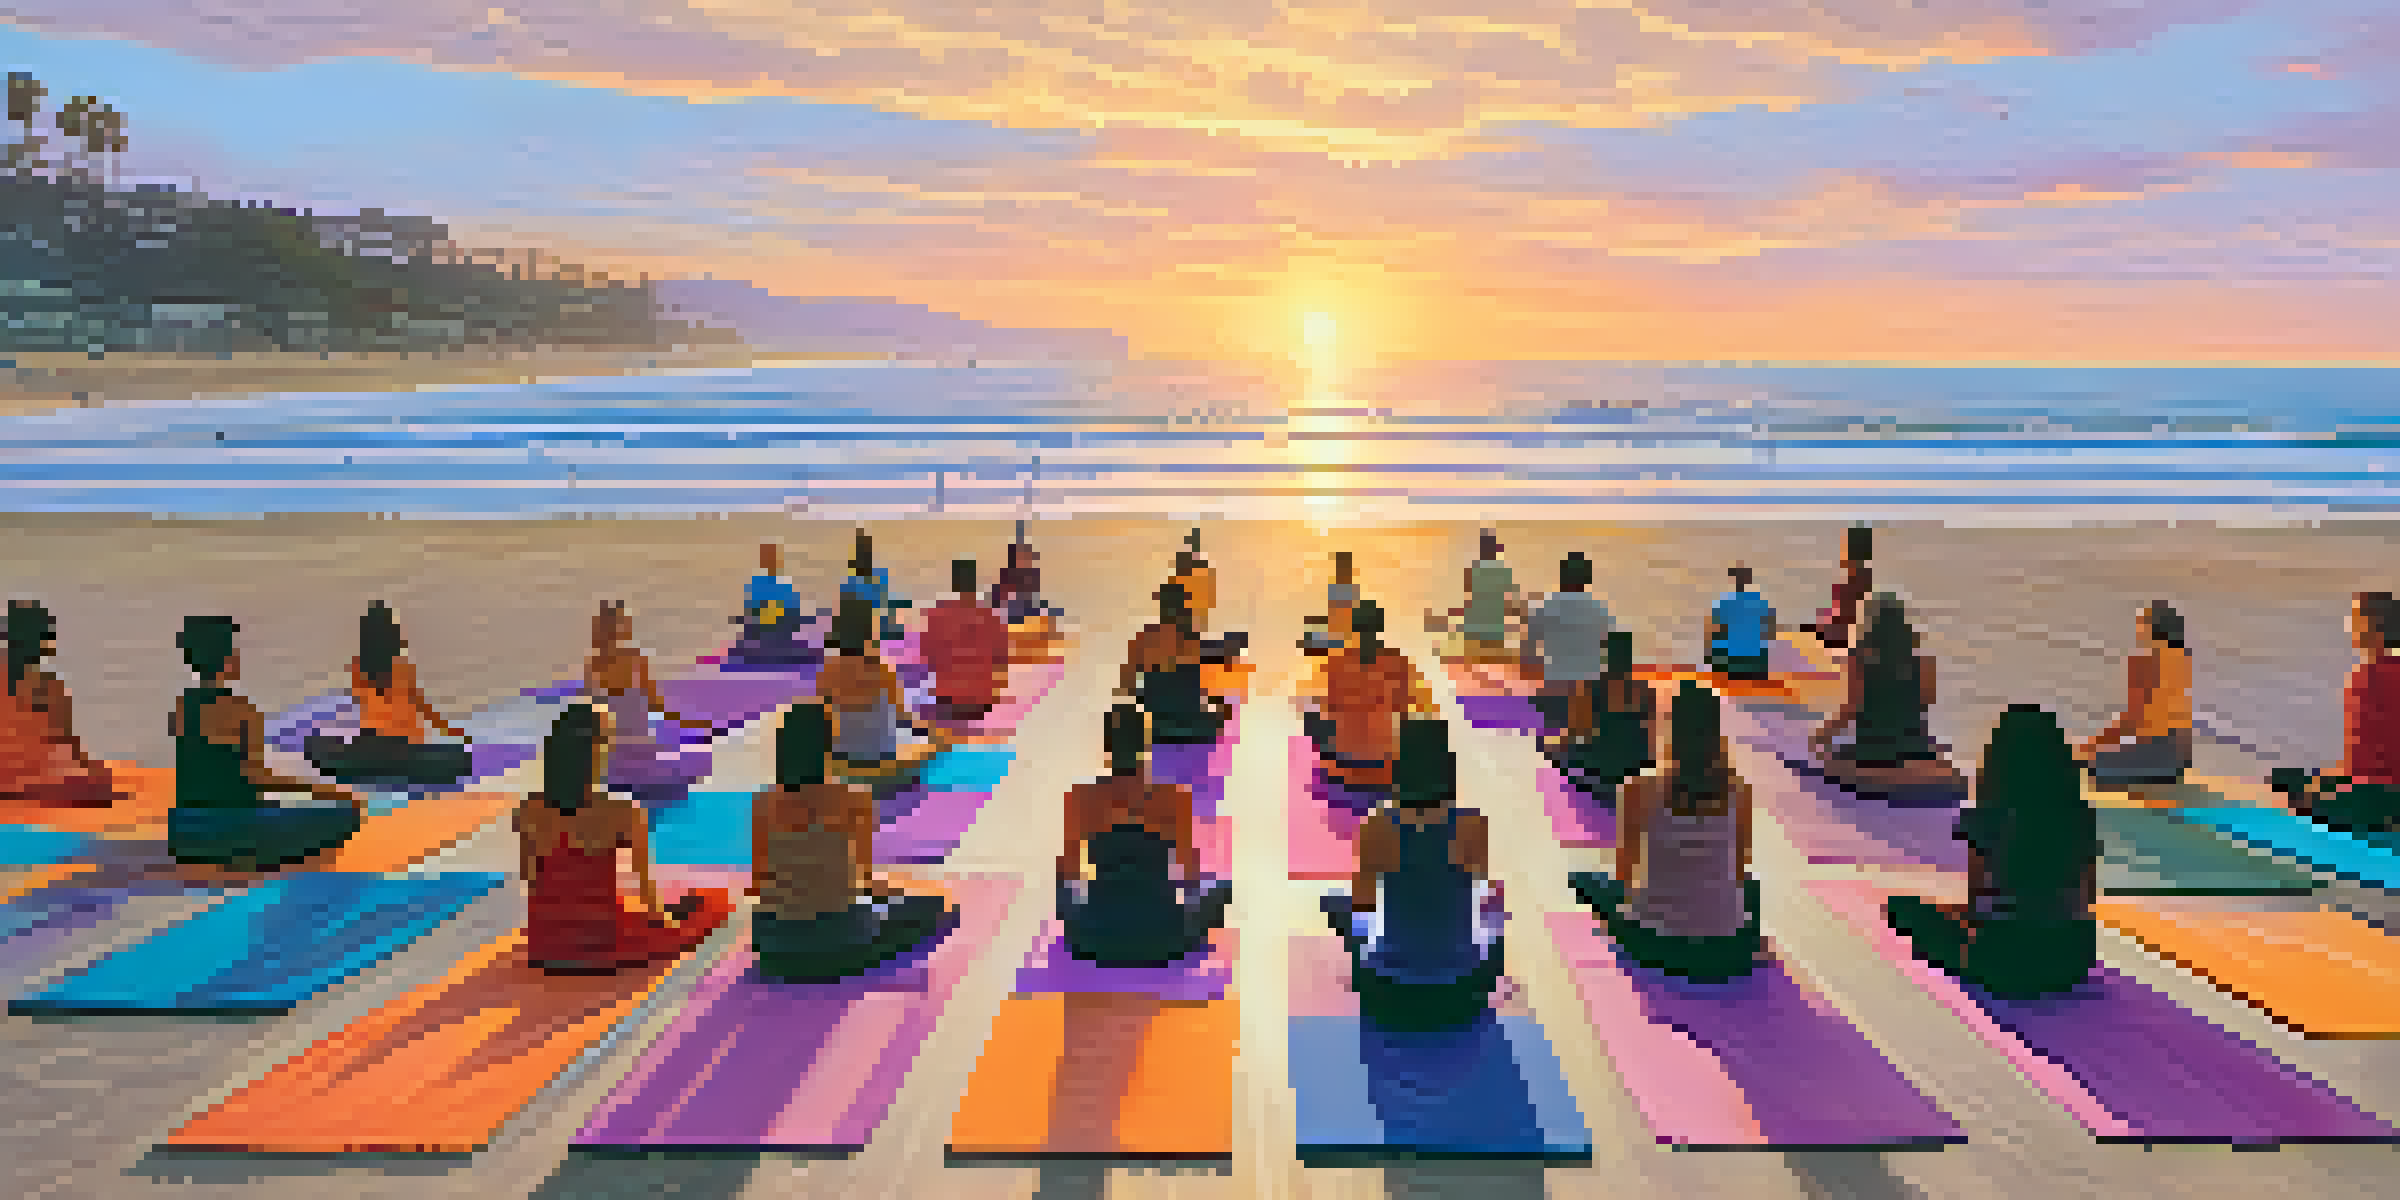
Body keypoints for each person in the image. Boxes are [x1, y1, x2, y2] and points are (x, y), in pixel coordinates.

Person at [1886, 704, 2099, 999]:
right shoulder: (2080, 816)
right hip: (2072, 959)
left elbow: (1978, 902)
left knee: (1905, 909)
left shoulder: (1989, 814)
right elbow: (2085, 898)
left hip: (2005, 961)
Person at [519, 702, 732, 973]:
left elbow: (532, 878)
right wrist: (670, 923)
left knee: (684, 905)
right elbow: (648, 898)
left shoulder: (528, 809)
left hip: (545, 944)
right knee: (713, 904)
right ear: (598, 750)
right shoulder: (623, 809)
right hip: (599, 940)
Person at [1569, 681, 1762, 982]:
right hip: (1725, 945)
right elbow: (1738, 870)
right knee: (1752, 886)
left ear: (1671, 729)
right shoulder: (1738, 791)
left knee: (1585, 881)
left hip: (1654, 941)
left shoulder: (1640, 787)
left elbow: (1625, 874)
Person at [1322, 719, 1504, 1031]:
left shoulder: (1377, 826)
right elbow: (1483, 904)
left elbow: (1363, 905)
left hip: (1388, 993)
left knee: (1336, 904)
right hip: (1461, 994)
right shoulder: (1473, 826)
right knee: (1494, 916)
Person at [750, 702, 952, 981]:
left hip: (774, 938)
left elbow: (760, 879)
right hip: (840, 933)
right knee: (932, 905)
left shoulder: (762, 804)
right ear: (827, 748)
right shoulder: (854, 798)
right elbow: (863, 878)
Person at [166, 616, 365, 872]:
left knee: (274, 809)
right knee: (343, 813)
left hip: (185, 832)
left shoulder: (180, 707)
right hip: (232, 833)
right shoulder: (241, 710)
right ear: (227, 659)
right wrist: (326, 791)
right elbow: (258, 777)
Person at [1058, 704, 1234, 966]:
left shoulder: (1081, 799)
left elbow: (1070, 873)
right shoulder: (1173, 799)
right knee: (1222, 891)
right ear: (1146, 746)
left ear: (1107, 746)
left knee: (1064, 893)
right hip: (1164, 936)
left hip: (1096, 936)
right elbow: (1190, 877)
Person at [301, 601, 477, 789]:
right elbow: (422, 707)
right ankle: (392, 768)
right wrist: (449, 732)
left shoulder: (358, 669)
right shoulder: (401, 668)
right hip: (406, 748)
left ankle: (374, 769)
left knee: (319, 745)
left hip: (375, 747)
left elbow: (363, 705)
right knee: (457, 760)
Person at [1808, 593, 1962, 796]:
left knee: (1830, 765)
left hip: (1872, 749)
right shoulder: (1924, 663)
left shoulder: (1859, 660)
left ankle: (1883, 776)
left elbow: (1849, 711)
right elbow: (1925, 703)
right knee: (1943, 763)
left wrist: (1819, 739)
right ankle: (1908, 774)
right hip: (1912, 745)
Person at [2272, 591, 2400, 832]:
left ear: (2372, 628)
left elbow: (2363, 763)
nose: (2349, 628)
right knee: (2305, 779)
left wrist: (2318, 786)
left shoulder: (2367, 676)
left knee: (2291, 785)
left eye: (2355, 620)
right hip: (2385, 789)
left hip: (2377, 798)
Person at [1299, 600, 1439, 793]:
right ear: (1378, 628)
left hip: (1343, 763)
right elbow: (1419, 711)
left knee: (1314, 718)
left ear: (1355, 629)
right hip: (1384, 764)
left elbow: (1323, 712)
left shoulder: (1336, 664)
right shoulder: (1397, 663)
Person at [584, 600, 713, 805]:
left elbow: (594, 711)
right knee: (695, 756)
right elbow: (656, 704)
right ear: (622, 629)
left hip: (614, 750)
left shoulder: (593, 665)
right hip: (640, 746)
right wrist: (682, 723)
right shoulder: (635, 660)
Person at [820, 591, 947, 791]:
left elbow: (826, 721)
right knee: (937, 743)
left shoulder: (828, 673)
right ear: (869, 633)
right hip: (880, 763)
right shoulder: (880, 671)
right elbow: (903, 718)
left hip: (842, 763)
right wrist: (928, 732)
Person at [0, 600, 121, 808]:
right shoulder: (49, 686)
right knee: (100, 782)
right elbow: (67, 741)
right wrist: (89, 769)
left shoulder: (48, 685)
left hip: (20, 778)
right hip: (34, 780)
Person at [2078, 601, 2193, 789]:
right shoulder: (2181, 661)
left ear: (2152, 630)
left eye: (2143, 626)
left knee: (2091, 766)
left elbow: (2134, 721)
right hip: (2178, 761)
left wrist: (2093, 748)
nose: (2139, 633)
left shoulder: (2144, 663)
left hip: (2153, 757)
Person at [1542, 631, 1655, 802]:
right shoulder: (1643, 690)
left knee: (1555, 751)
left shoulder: (1594, 688)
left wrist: (1557, 747)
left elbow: (1579, 730)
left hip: (1602, 766)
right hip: (1634, 763)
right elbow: (1649, 738)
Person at [1120, 582, 1233, 747]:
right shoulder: (1183, 639)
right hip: (1182, 728)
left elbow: (1130, 685)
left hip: (1170, 728)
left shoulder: (1148, 639)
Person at [1526, 552, 1615, 732]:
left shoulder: (1547, 607)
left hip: (1556, 688)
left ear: (1563, 577)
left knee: (1554, 741)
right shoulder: (1599, 610)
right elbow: (1612, 648)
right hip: (1590, 689)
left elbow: (1528, 648)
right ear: (1585, 580)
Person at [923, 558, 1010, 726]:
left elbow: (928, 655)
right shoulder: (990, 617)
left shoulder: (940, 616)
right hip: (982, 700)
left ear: (956, 583)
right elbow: (1001, 657)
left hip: (948, 698)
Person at [732, 542, 818, 667]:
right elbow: (752, 613)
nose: (772, 561)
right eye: (768, 557)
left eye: (773, 557)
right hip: (766, 633)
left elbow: (793, 613)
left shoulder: (783, 584)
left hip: (778, 632)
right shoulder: (759, 584)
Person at [1455, 529, 1523, 666]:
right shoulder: (1502, 571)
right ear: (1494, 549)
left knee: (1474, 667)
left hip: (1474, 628)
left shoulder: (1473, 570)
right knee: (1491, 667)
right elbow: (1508, 600)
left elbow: (1469, 599)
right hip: (1494, 629)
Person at [1803, 526, 1874, 651]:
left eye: (1844, 548)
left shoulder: (1855, 580)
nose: (1841, 554)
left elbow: (1844, 619)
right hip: (1841, 635)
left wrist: (1818, 627)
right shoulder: (1860, 577)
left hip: (1839, 639)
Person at [1706, 564, 1777, 682]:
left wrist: (1711, 658)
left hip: (1738, 658)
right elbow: (1769, 630)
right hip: (1751, 657)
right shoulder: (1758, 602)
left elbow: (1715, 631)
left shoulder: (1726, 603)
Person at [840, 528, 910, 643]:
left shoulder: (852, 582)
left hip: (870, 631)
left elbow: (886, 605)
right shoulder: (852, 582)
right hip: (870, 631)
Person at [1301, 551, 1361, 655]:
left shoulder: (1347, 589)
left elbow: (1344, 618)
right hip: (1339, 633)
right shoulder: (1338, 589)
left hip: (1342, 634)